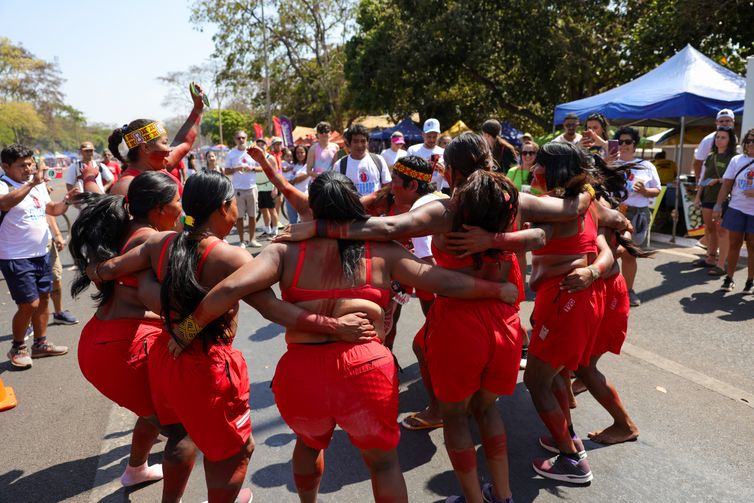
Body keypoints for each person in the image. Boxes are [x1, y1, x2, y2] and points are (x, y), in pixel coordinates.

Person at [176, 170, 521, 503]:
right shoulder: (382, 251)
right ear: (355, 205)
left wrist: (183, 333)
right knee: (384, 463)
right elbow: (443, 282)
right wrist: (497, 289)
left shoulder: (285, 249)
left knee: (309, 445)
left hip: (301, 371)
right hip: (366, 368)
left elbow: (231, 289)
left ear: (315, 210)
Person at [85, 171, 377, 503]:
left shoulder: (159, 243)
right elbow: (271, 308)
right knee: (235, 452)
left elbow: (108, 271)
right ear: (224, 207)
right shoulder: (230, 257)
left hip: (167, 358)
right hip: (209, 364)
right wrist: (334, 326)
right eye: (235, 204)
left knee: (183, 434)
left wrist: (98, 269)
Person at [69, 172, 194, 500]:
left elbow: (108, 276)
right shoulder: (152, 240)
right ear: (158, 209)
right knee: (184, 432)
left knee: (153, 410)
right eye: (177, 201)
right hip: (124, 350)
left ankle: (136, 468)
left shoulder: (127, 229)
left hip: (102, 341)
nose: (182, 207)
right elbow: (163, 303)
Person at [0, 144, 76, 369]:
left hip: (41, 253)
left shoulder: (37, 186)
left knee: (43, 298)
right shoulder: (4, 185)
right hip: (15, 255)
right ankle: (18, 347)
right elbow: (4, 203)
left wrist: (67, 201)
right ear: (5, 166)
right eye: (22, 165)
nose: (28, 169)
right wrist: (32, 183)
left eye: (30, 164)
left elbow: (51, 209)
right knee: (29, 304)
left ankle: (40, 344)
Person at [108, 82, 205, 197]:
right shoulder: (125, 187)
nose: (169, 149)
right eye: (164, 143)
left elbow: (184, 141)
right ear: (146, 147)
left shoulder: (159, 166)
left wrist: (198, 108)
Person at [613, 126, 661, 307]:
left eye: (628, 142)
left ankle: (627, 290)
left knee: (628, 254)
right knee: (608, 251)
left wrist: (645, 190)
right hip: (615, 211)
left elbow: (656, 190)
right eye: (620, 142)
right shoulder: (611, 163)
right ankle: (608, 288)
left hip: (637, 213)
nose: (624, 145)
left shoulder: (646, 166)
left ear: (634, 144)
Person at [713, 127, 754, 293]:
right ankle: (729, 278)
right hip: (736, 208)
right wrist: (717, 206)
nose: (751, 144)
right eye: (748, 140)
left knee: (752, 246)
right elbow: (727, 185)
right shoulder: (737, 160)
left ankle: (750, 281)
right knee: (734, 243)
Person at [693, 127, 737, 276]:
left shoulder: (734, 158)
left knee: (722, 231)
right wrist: (698, 196)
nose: (719, 140)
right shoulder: (710, 156)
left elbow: (734, 179)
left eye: (723, 137)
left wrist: (717, 180)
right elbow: (703, 179)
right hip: (707, 197)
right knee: (710, 229)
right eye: (717, 137)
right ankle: (710, 259)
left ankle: (721, 264)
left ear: (730, 140)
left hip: (724, 199)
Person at [224, 130, 262, 248]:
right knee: (239, 217)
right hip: (238, 189)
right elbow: (226, 171)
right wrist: (237, 168)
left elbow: (261, 167)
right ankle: (242, 241)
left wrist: (252, 169)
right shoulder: (231, 153)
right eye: (238, 138)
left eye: (243, 138)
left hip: (251, 188)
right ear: (235, 140)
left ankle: (252, 240)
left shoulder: (252, 152)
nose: (241, 140)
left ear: (246, 138)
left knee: (252, 216)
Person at [337, 125, 391, 196]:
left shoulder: (379, 160)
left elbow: (387, 185)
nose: (359, 145)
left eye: (363, 141)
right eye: (355, 141)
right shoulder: (339, 165)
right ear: (349, 143)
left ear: (367, 142)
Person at [692, 108, 736, 181]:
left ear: (733, 121)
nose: (724, 123)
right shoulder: (708, 140)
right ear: (716, 122)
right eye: (721, 121)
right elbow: (697, 162)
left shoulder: (734, 138)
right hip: (708, 183)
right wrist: (698, 180)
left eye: (728, 121)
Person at [407, 118, 448, 193]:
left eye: (434, 137)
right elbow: (406, 174)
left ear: (439, 135)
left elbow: (449, 179)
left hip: (437, 194)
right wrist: (424, 167)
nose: (432, 140)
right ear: (423, 134)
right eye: (429, 136)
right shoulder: (413, 150)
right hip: (416, 194)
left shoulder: (444, 152)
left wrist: (442, 171)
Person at [284, 145, 310, 224]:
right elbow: (282, 171)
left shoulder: (308, 165)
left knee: (305, 221)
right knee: (292, 222)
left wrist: (291, 181)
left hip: (303, 196)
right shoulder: (292, 165)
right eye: (297, 153)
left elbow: (300, 178)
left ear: (306, 153)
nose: (299, 154)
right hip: (290, 196)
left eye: (302, 152)